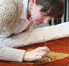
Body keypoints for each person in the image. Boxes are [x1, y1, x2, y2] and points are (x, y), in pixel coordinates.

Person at [0, 0, 64, 62]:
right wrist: (25, 55)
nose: (46, 22)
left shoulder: (32, 11)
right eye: (44, 14)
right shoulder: (7, 6)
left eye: (50, 18)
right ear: (32, 1)